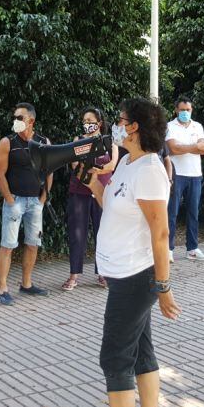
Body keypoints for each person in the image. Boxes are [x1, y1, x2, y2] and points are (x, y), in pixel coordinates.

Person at [84, 98, 180, 407]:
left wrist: (163, 286)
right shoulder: (126, 163)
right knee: (141, 353)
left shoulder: (151, 170)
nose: (117, 124)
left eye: (121, 119)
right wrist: (94, 185)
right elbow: (111, 204)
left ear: (135, 127)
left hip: (137, 277)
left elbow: (161, 233)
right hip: (123, 274)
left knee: (114, 359)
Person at [0, 102, 53, 305]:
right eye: (15, 117)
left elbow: (49, 171)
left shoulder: (43, 142)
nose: (15, 121)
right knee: (8, 245)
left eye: (20, 118)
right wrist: (9, 199)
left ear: (31, 120)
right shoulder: (7, 142)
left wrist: (43, 198)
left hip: (35, 202)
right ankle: (2, 288)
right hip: (15, 201)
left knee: (32, 243)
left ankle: (26, 284)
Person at [63, 108, 118, 291]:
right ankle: (74, 275)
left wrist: (97, 171)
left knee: (103, 234)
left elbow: (112, 164)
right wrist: (89, 171)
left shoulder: (109, 141)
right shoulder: (78, 141)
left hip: (103, 193)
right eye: (84, 121)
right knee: (77, 234)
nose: (87, 124)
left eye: (90, 120)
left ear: (99, 123)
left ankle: (103, 273)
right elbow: (74, 164)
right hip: (79, 192)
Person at [165, 95, 204, 262]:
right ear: (176, 110)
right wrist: (194, 147)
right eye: (182, 110)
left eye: (188, 110)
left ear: (192, 110)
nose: (185, 113)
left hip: (195, 174)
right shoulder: (170, 127)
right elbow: (173, 149)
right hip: (176, 174)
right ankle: (168, 249)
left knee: (193, 213)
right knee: (172, 212)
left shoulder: (198, 126)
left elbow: (203, 149)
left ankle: (192, 248)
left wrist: (187, 147)